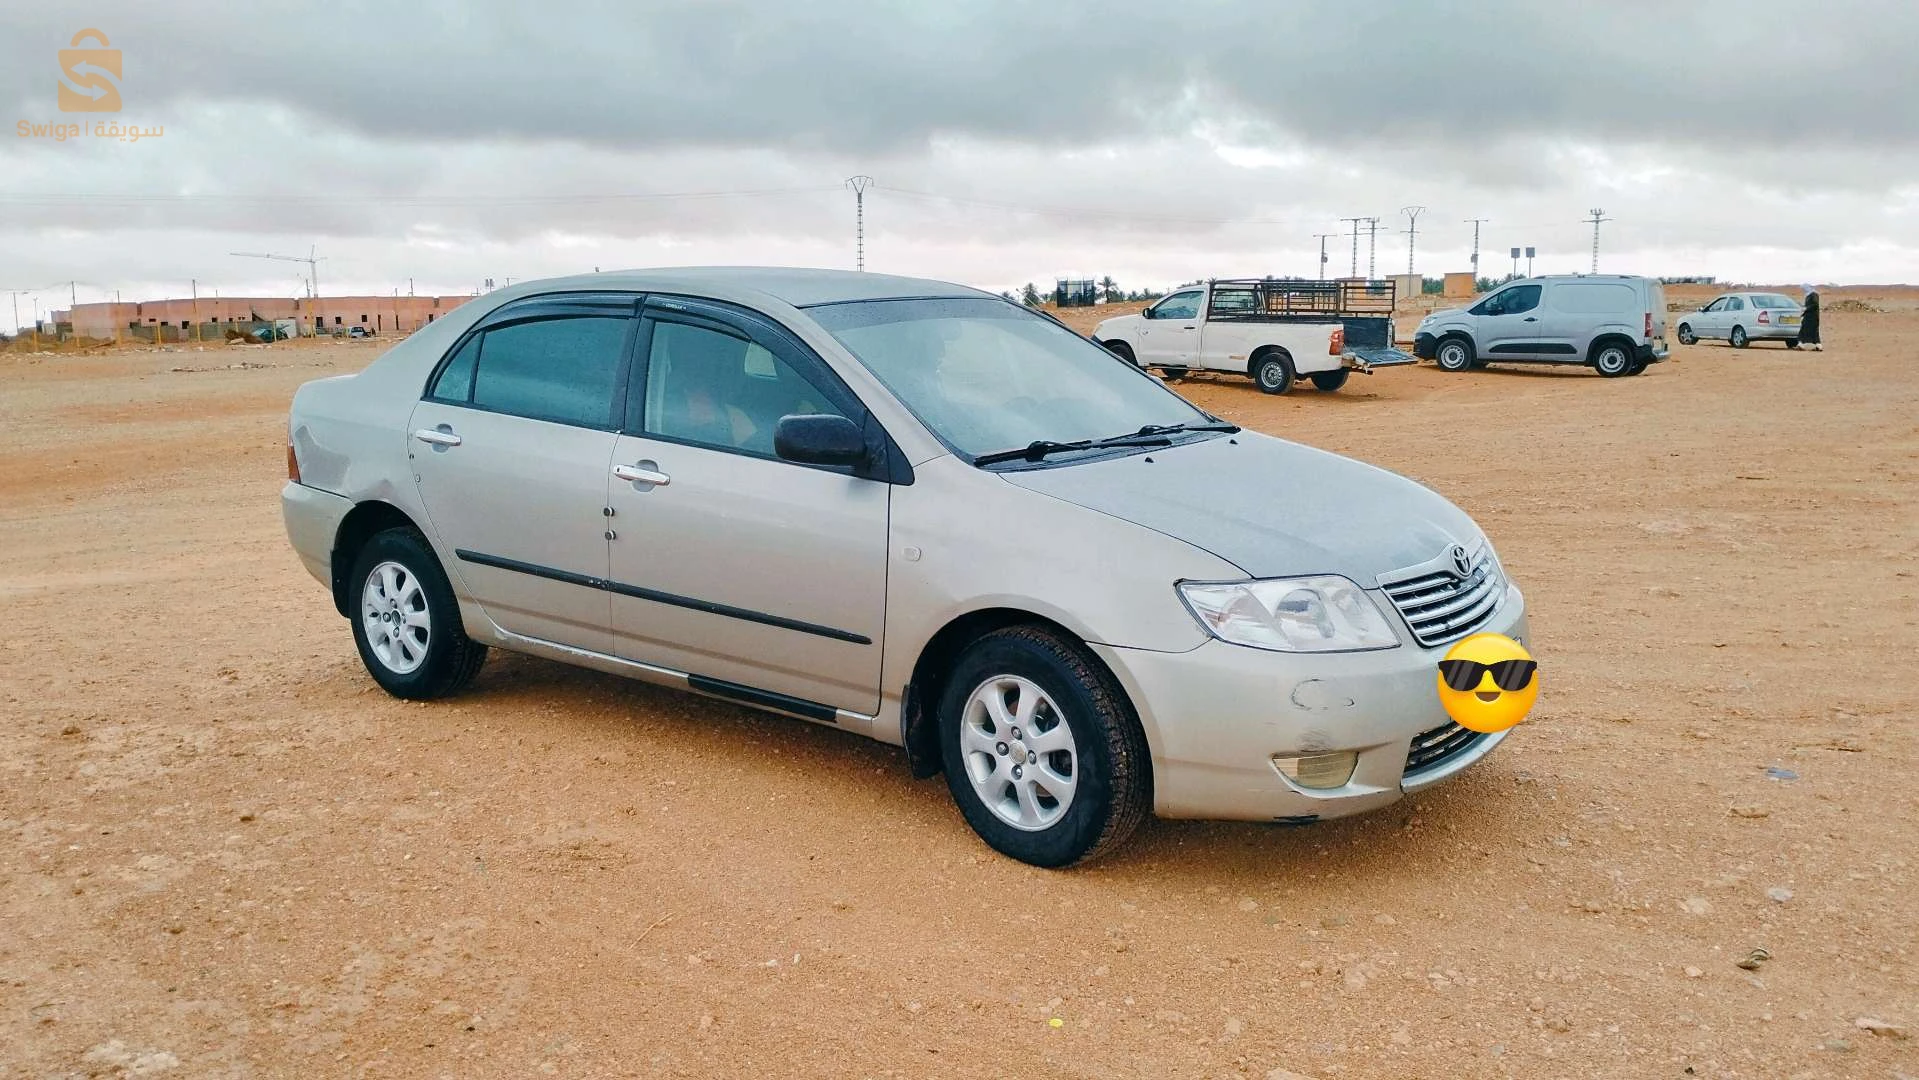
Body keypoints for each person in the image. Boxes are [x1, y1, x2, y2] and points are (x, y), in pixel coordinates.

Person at [1799, 284, 1822, 351]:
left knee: (1813, 331)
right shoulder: (1808, 295)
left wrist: (1806, 309)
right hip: (1808, 316)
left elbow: (1815, 304)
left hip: (1813, 317)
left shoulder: (1814, 295)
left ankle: (1817, 345)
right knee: (1804, 330)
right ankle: (1801, 344)